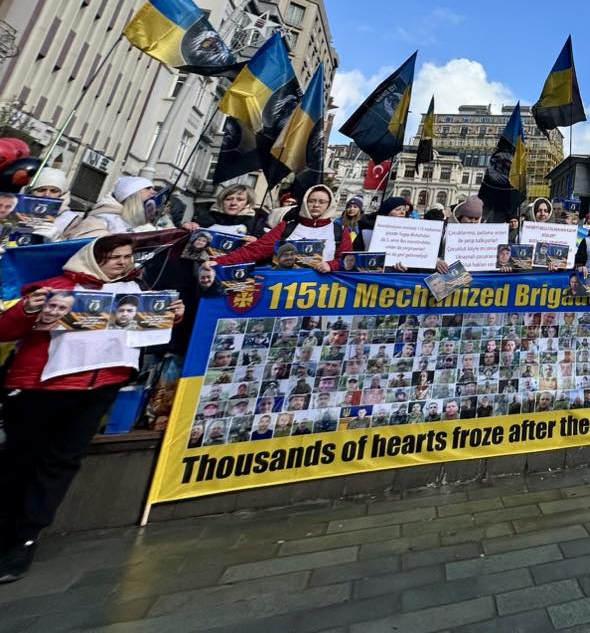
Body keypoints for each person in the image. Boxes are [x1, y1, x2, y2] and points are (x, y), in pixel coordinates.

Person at [0, 235, 184, 582]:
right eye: (113, 256)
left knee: (61, 463)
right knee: (20, 461)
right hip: (42, 388)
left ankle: (25, 537)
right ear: (92, 258)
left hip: (100, 388)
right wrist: (26, 310)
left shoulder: (136, 291)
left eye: (127, 256)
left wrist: (171, 317)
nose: (121, 262)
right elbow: (6, 329)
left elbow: (148, 334)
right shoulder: (56, 287)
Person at [214, 185, 353, 273]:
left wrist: (331, 265)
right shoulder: (287, 227)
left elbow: (348, 260)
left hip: (320, 295)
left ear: (330, 205)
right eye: (311, 201)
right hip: (284, 291)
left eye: (322, 202)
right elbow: (255, 250)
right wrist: (219, 262)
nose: (316, 205)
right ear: (305, 202)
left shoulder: (339, 231)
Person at [58, 176, 156, 240]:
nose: (153, 192)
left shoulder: (138, 222)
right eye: (148, 188)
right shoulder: (102, 218)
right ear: (131, 195)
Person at [22, 168, 80, 240]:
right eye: (41, 190)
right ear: (31, 192)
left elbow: (75, 249)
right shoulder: (12, 209)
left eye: (54, 191)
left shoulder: (70, 219)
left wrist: (57, 239)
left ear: (62, 194)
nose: (47, 195)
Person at [194, 184, 269, 239]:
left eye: (240, 200)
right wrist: (187, 229)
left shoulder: (255, 223)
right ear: (221, 201)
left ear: (248, 203)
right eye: (228, 199)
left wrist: (256, 243)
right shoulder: (206, 216)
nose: (233, 203)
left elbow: (265, 248)